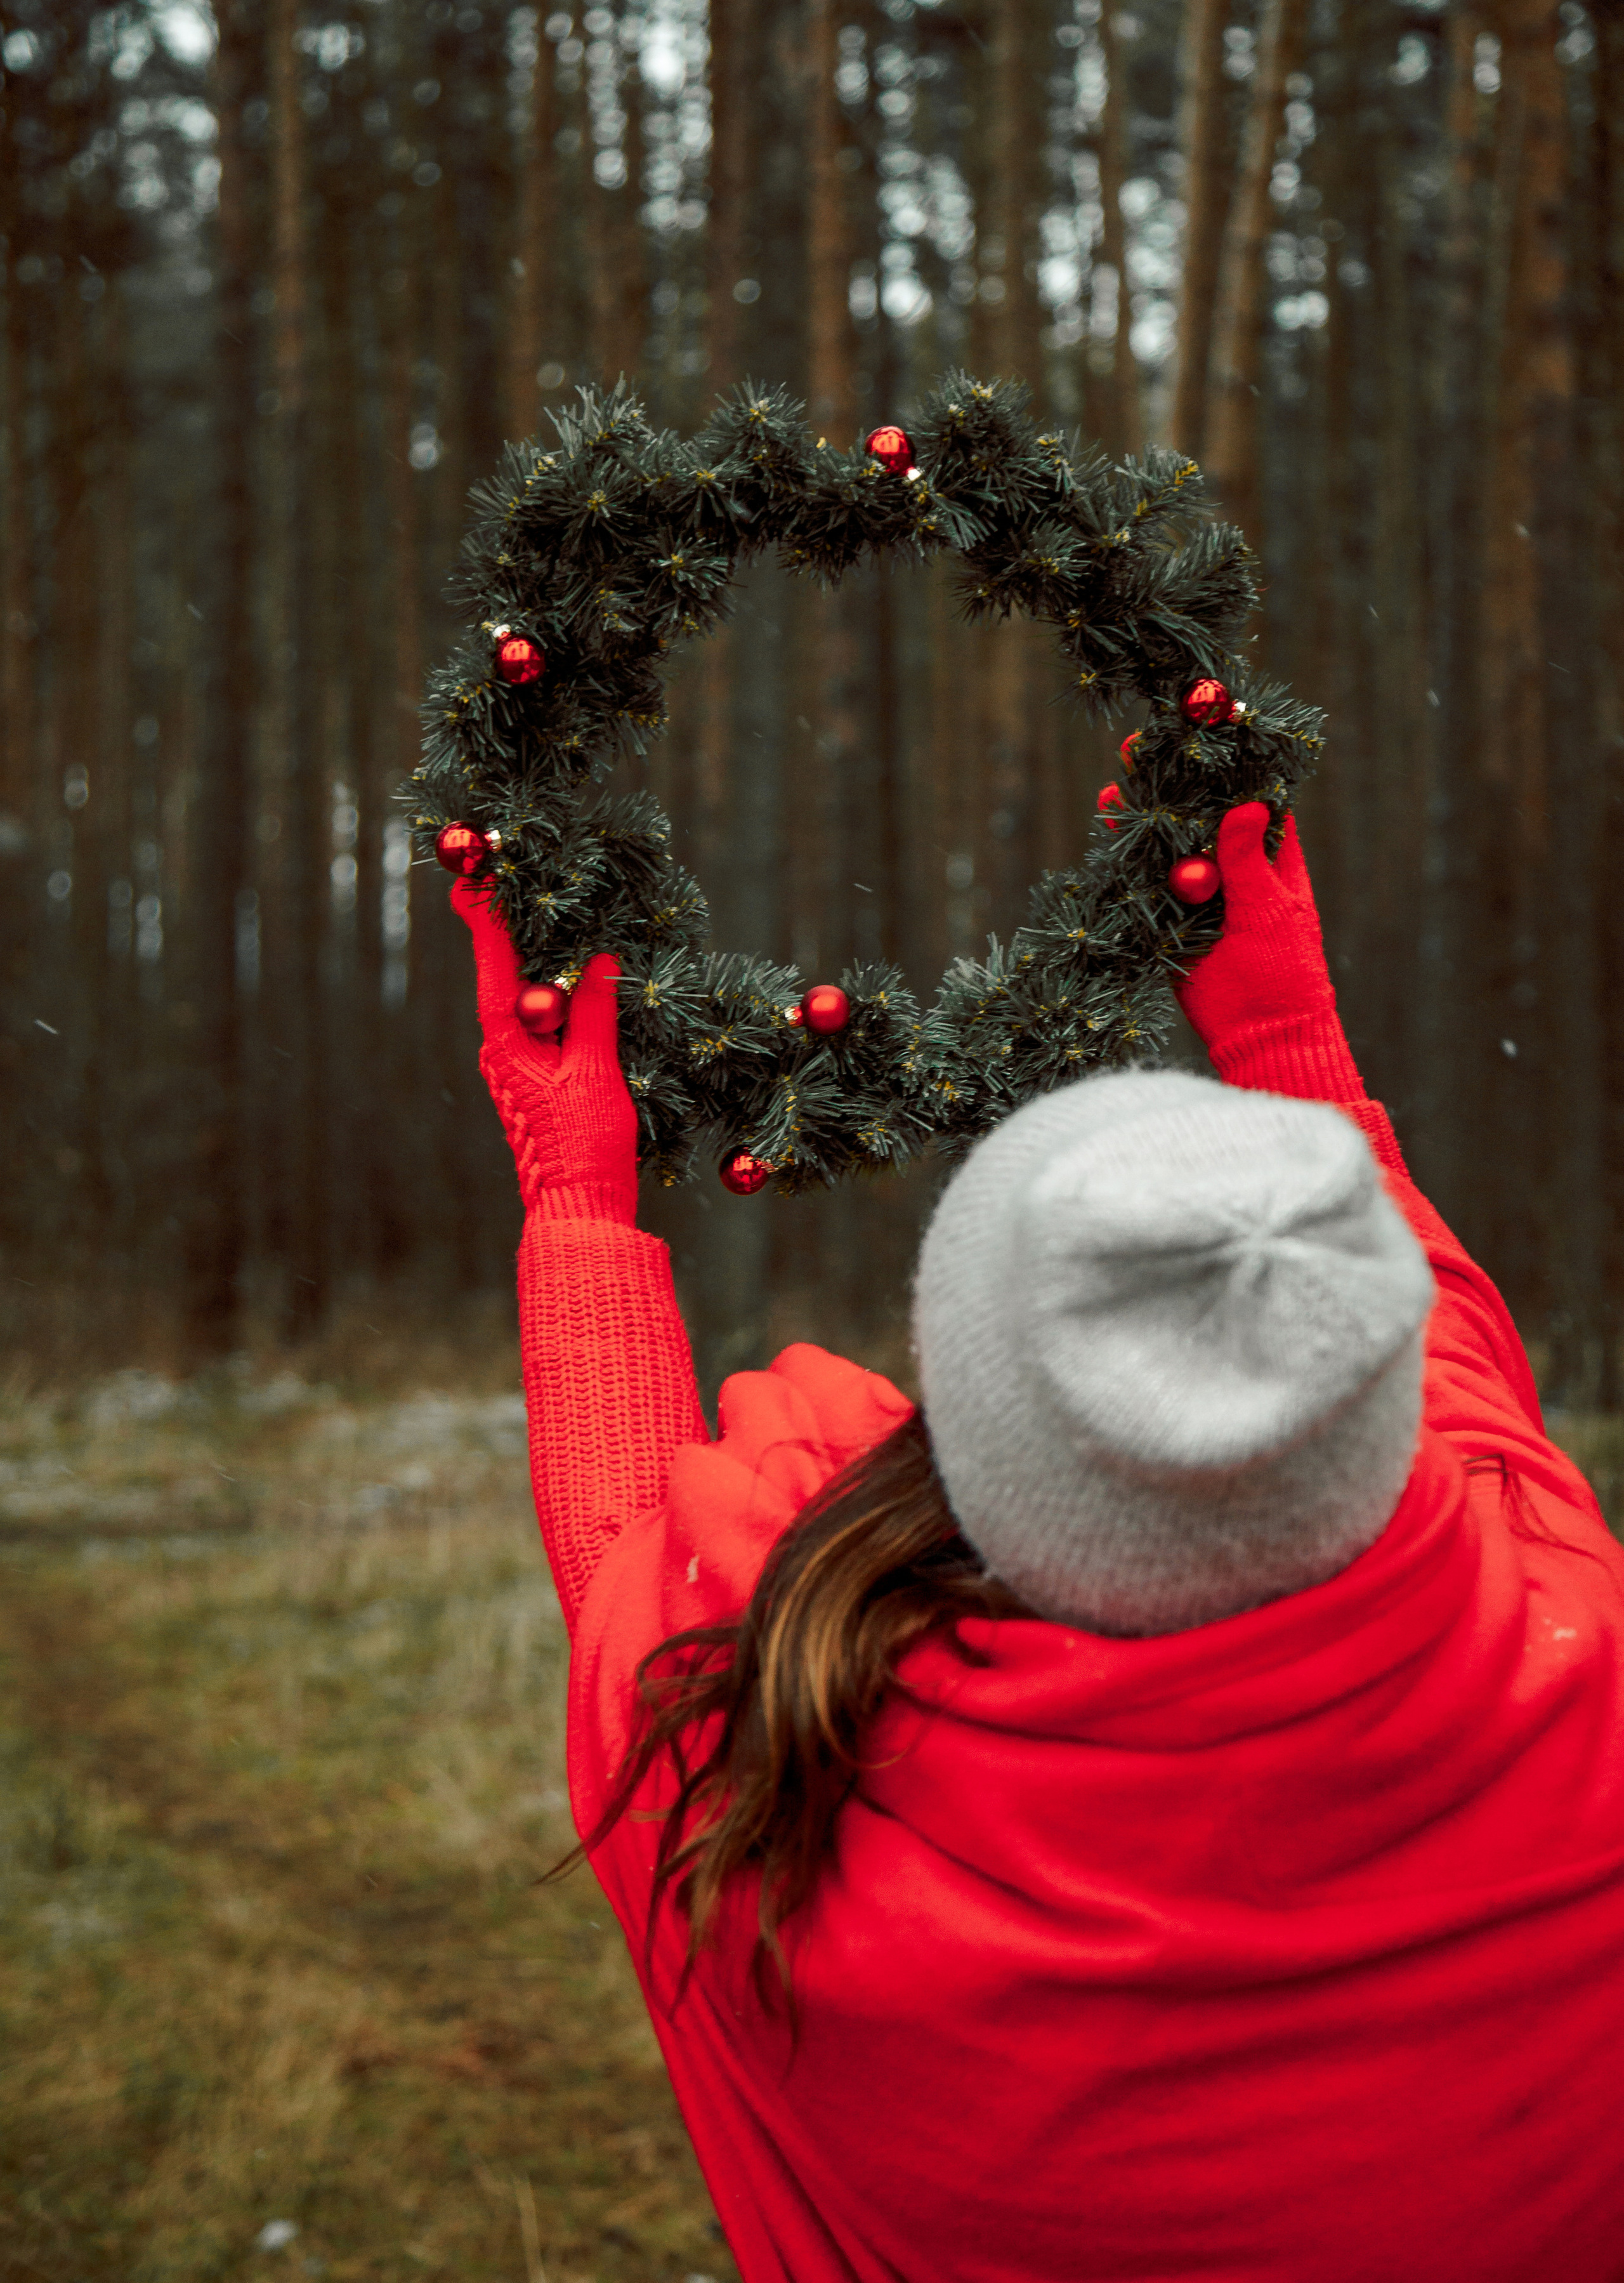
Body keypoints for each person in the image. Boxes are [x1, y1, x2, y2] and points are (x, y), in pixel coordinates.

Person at [452, 802, 1624, 2283]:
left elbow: (630, 1558)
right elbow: (1451, 1371)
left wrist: (576, 1200)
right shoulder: (1578, 1657)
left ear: (964, 1439)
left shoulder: (779, 1839)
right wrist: (1289, 1054)